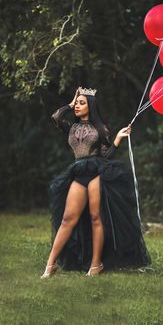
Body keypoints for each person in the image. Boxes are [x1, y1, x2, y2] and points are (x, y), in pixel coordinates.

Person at [40, 87, 151, 278]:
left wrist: (117, 139)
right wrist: (70, 103)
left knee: (95, 217)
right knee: (68, 219)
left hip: (97, 172)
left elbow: (106, 155)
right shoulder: (71, 127)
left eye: (82, 103)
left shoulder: (101, 129)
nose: (78, 106)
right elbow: (55, 117)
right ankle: (50, 265)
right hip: (78, 172)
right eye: (78, 103)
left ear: (91, 106)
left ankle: (95, 265)